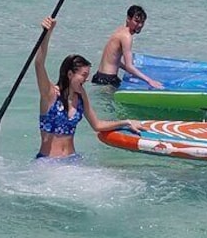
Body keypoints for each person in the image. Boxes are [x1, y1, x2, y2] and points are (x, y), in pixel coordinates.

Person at [35, 16, 142, 160]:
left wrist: (127, 122)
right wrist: (47, 33)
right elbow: (39, 64)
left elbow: (97, 125)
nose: (86, 80)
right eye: (84, 75)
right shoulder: (50, 94)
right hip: (48, 162)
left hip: (73, 160)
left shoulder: (80, 96)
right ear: (70, 74)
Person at [91, 5, 163, 89]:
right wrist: (149, 80)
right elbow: (129, 66)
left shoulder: (120, 30)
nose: (139, 25)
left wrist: (133, 71)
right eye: (136, 21)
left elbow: (114, 60)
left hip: (98, 77)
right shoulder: (127, 37)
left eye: (142, 22)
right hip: (108, 81)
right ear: (128, 19)